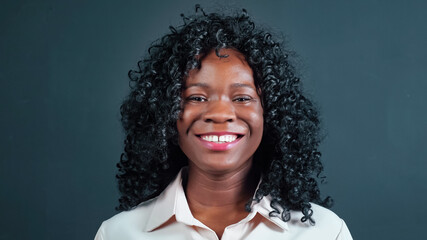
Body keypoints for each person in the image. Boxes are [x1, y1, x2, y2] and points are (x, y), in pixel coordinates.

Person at [95, 5, 353, 240]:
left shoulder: (325, 232)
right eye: (196, 97)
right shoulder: (118, 233)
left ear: (271, 114)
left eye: (242, 98)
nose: (219, 113)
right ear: (165, 113)